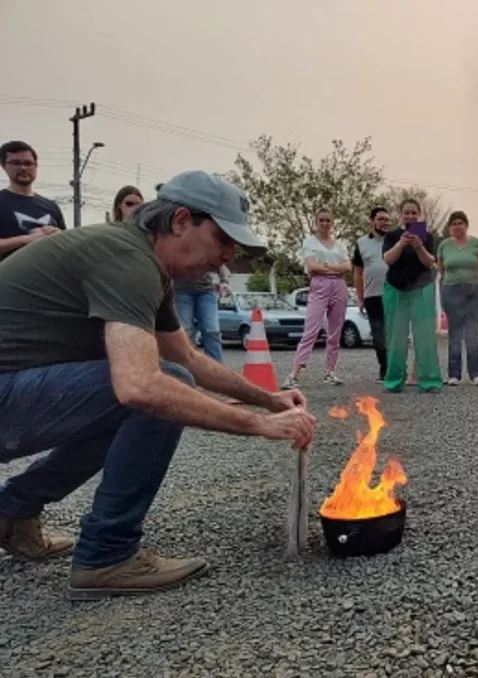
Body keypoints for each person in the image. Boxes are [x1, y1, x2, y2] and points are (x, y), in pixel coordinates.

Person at [0, 170, 317, 599]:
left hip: (12, 389)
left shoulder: (145, 263)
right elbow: (141, 386)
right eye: (223, 240)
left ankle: (11, 510)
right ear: (182, 220)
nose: (227, 256)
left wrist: (268, 400)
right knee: (156, 390)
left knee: (150, 388)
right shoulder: (127, 261)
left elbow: (186, 355)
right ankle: (107, 556)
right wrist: (257, 425)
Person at [381, 198, 443, 393]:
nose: (410, 216)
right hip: (396, 289)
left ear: (419, 214)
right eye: (406, 213)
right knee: (396, 337)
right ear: (400, 214)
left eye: (413, 213)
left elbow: (429, 262)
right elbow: (388, 259)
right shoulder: (392, 236)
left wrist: (418, 245)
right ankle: (394, 380)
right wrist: (401, 243)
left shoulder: (426, 236)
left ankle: (429, 381)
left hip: (421, 288)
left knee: (425, 337)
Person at [284, 209, 351, 389]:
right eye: (321, 220)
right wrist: (333, 267)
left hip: (339, 285)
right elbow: (311, 265)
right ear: (316, 222)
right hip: (319, 285)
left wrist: (327, 267)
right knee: (311, 330)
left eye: (328, 220)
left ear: (332, 223)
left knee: (335, 332)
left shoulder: (340, 245)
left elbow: (348, 265)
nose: (325, 223)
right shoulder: (310, 242)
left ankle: (330, 371)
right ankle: (294, 373)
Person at [437, 211, 478, 385]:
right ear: (450, 227)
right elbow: (441, 270)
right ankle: (454, 374)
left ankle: (476, 373)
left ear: (466, 225)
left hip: (474, 290)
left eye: (460, 223)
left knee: (472, 333)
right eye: (454, 223)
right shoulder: (444, 245)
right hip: (451, 289)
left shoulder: (477, 243)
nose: (457, 226)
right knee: (455, 333)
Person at [0, 140, 65, 262]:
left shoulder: (51, 206)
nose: (23, 168)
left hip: (49, 277)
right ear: (3, 166)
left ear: (36, 166)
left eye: (28, 163)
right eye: (16, 163)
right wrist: (29, 239)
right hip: (10, 278)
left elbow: (66, 245)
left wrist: (59, 235)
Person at [353, 206, 391, 381]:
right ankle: (384, 367)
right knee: (378, 334)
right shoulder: (361, 243)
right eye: (381, 219)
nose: (385, 222)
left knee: (394, 333)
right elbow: (358, 272)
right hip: (372, 296)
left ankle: (397, 368)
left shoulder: (395, 239)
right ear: (372, 221)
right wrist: (360, 298)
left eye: (387, 219)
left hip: (394, 294)